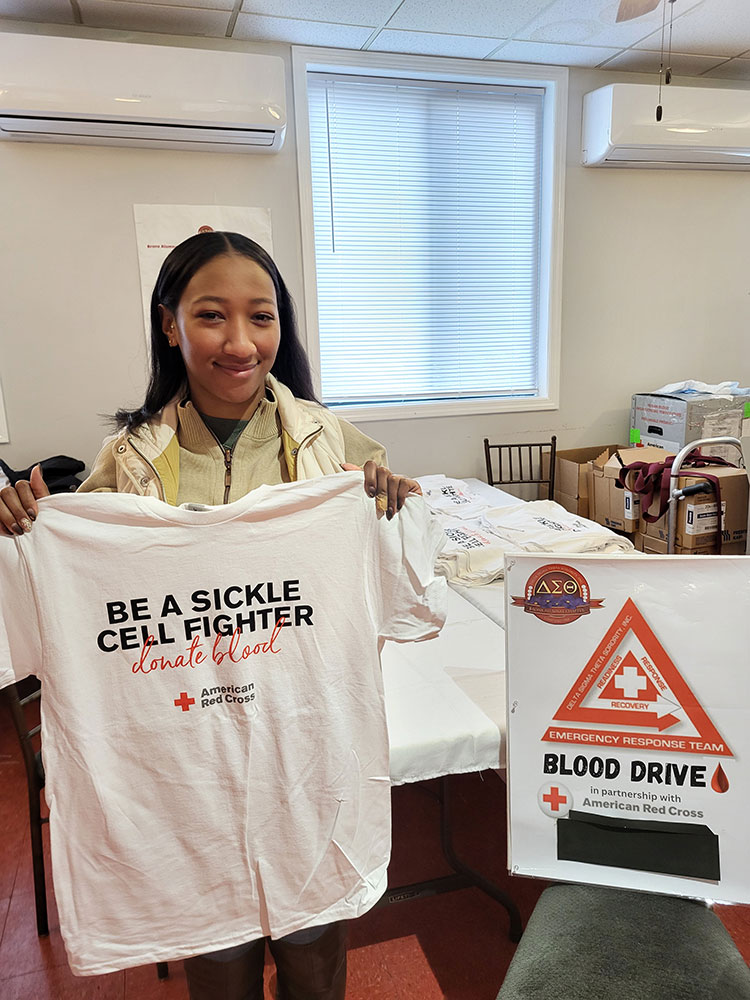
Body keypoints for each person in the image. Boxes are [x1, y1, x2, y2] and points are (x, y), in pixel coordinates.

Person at [0, 231, 423, 1000]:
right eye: (211, 316)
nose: (240, 342)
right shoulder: (126, 460)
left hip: (303, 742)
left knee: (313, 938)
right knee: (218, 951)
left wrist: (392, 504)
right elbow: (75, 592)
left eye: (261, 318)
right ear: (169, 323)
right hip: (184, 756)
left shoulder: (332, 445)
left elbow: (392, 560)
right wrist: (25, 530)